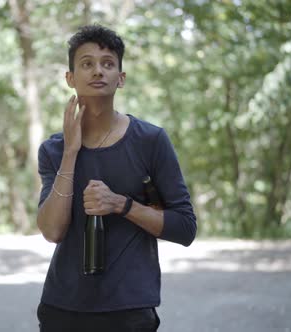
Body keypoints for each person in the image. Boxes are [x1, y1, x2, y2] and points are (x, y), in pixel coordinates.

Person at [36, 24, 197, 332]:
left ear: (120, 79)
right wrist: (71, 152)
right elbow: (52, 231)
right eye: (87, 63)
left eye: (108, 63)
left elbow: (185, 228)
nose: (98, 71)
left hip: (129, 309)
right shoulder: (54, 150)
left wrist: (122, 205)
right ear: (70, 78)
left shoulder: (150, 140)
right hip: (62, 308)